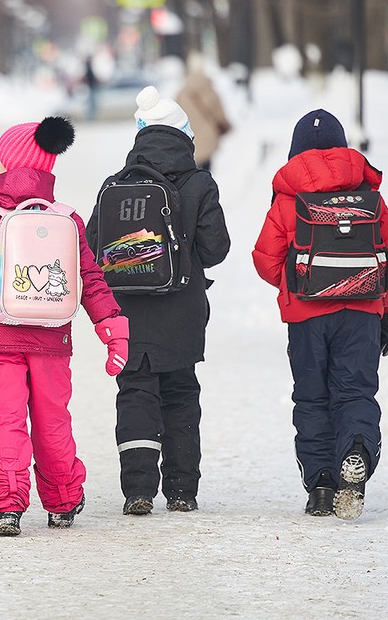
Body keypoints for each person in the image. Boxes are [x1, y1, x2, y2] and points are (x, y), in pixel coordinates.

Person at [0, 116, 128, 537]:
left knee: (6, 420)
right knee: (52, 420)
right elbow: (89, 277)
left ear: (9, 164)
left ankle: (6, 506)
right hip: (51, 337)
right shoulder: (67, 219)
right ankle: (63, 500)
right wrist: (110, 324)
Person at [87, 86, 231, 516]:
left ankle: (138, 489)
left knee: (135, 393)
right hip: (182, 312)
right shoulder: (199, 183)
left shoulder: (116, 185)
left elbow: (94, 244)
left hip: (129, 310)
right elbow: (217, 249)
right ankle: (183, 490)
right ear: (185, 136)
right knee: (181, 394)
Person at [252, 109, 388, 520]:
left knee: (312, 397)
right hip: (363, 311)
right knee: (355, 392)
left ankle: (320, 483)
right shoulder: (369, 195)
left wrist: (298, 283)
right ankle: (355, 450)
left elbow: (265, 259)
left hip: (306, 319)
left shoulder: (288, 197)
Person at [174, 59, 232, 171]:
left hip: (188, 136)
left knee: (191, 167)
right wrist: (227, 125)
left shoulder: (181, 94)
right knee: (206, 167)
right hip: (207, 134)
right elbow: (218, 112)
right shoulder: (209, 90)